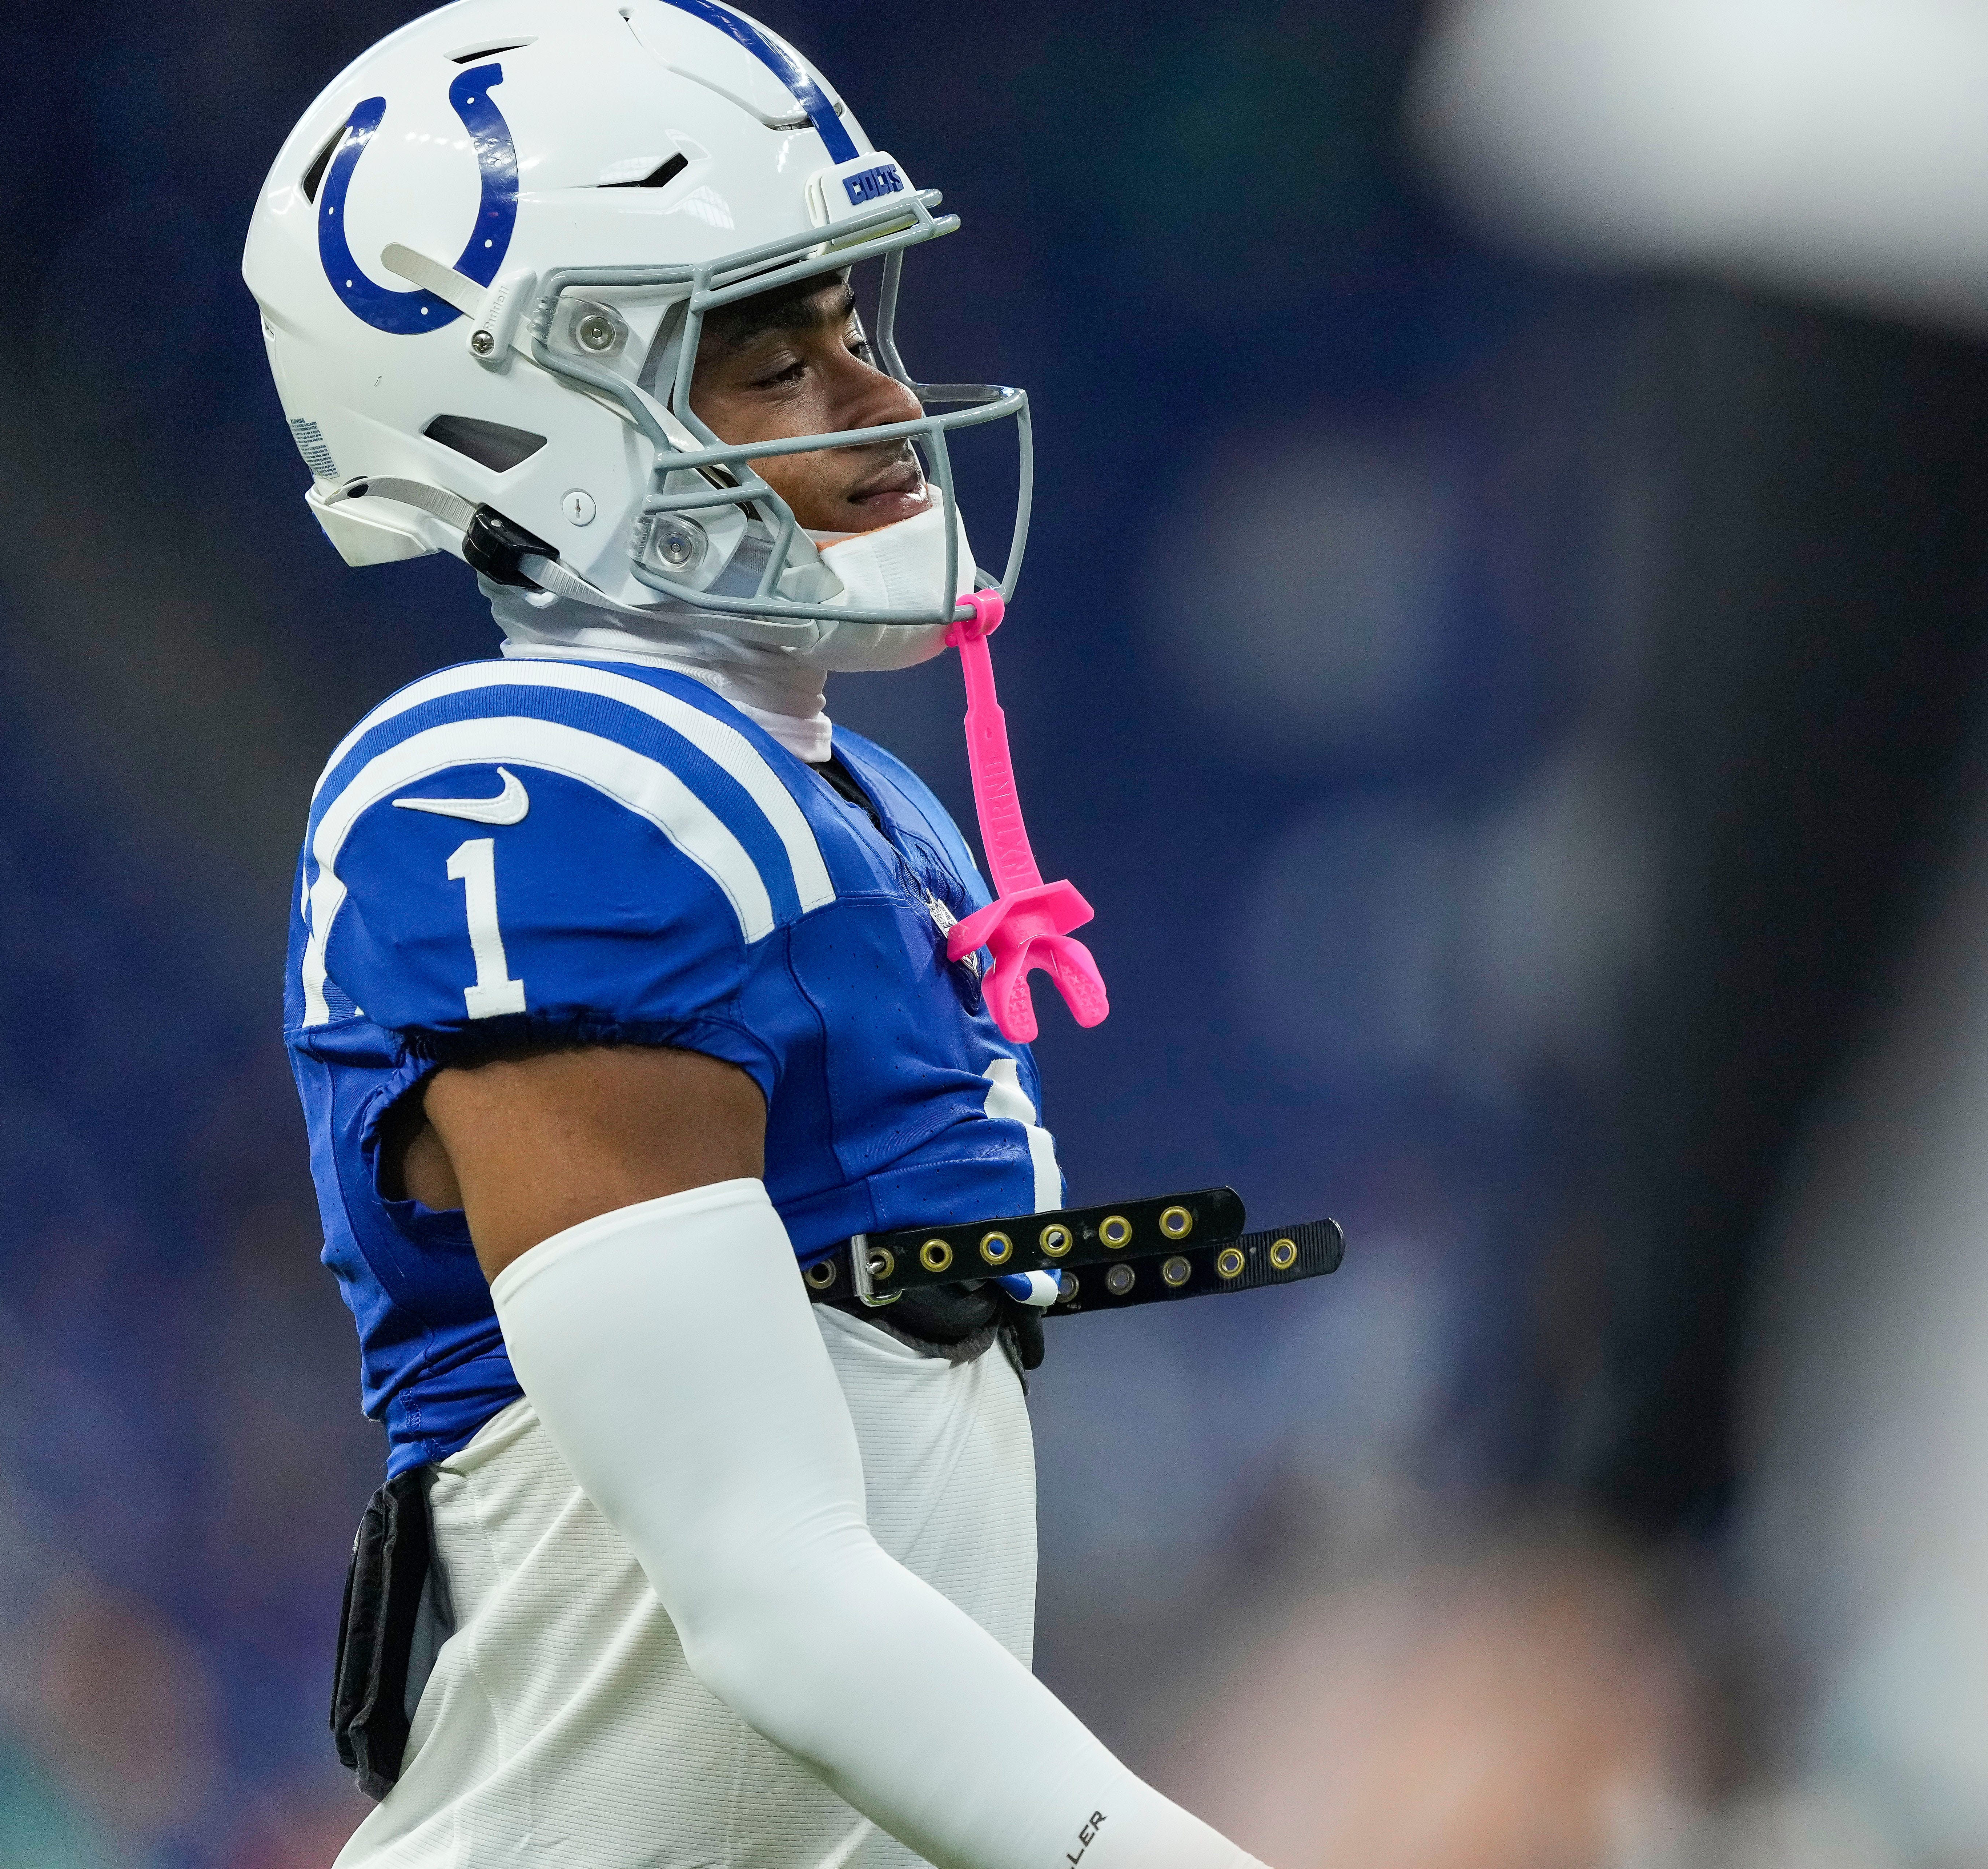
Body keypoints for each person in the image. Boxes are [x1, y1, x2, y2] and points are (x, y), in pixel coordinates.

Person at [246, 4, 1266, 1864]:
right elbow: (771, 1589)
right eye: (769, 361)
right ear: (519, 417)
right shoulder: (534, 791)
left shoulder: (849, 800)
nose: (883, 404)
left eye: (858, 328)